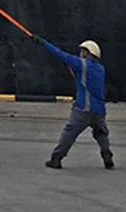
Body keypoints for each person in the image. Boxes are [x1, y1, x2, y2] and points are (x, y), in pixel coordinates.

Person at [37, 36, 113, 170]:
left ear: (88, 52)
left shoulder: (82, 64)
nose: (80, 53)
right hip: (99, 110)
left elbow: (60, 54)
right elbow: (84, 79)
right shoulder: (100, 69)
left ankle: (56, 159)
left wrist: (43, 43)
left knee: (69, 133)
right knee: (101, 133)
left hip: (83, 109)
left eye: (83, 51)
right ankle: (107, 155)